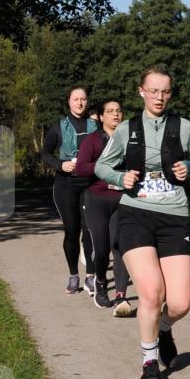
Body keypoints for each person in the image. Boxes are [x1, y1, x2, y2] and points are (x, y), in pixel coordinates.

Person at [95, 66, 190, 379]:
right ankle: (149, 362)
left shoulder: (184, 127)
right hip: (136, 214)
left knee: (181, 302)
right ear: (141, 91)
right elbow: (102, 165)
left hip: (174, 216)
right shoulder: (126, 129)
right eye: (153, 91)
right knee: (151, 293)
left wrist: (189, 168)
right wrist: (121, 177)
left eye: (165, 92)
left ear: (171, 93)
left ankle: (165, 328)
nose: (159, 97)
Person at [41, 86, 98, 295]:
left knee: (91, 230)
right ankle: (74, 275)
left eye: (83, 99)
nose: (80, 103)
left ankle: (90, 277)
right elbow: (45, 154)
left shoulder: (95, 126)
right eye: (76, 99)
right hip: (66, 185)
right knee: (72, 231)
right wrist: (60, 165)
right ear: (69, 101)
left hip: (90, 183)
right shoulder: (58, 126)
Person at [76, 99, 131, 314]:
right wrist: (103, 166)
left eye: (118, 111)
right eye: (110, 111)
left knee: (120, 246)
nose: (115, 114)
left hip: (122, 199)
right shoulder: (92, 140)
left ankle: (121, 296)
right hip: (97, 200)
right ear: (101, 116)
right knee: (101, 249)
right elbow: (80, 169)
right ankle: (100, 281)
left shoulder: (130, 139)